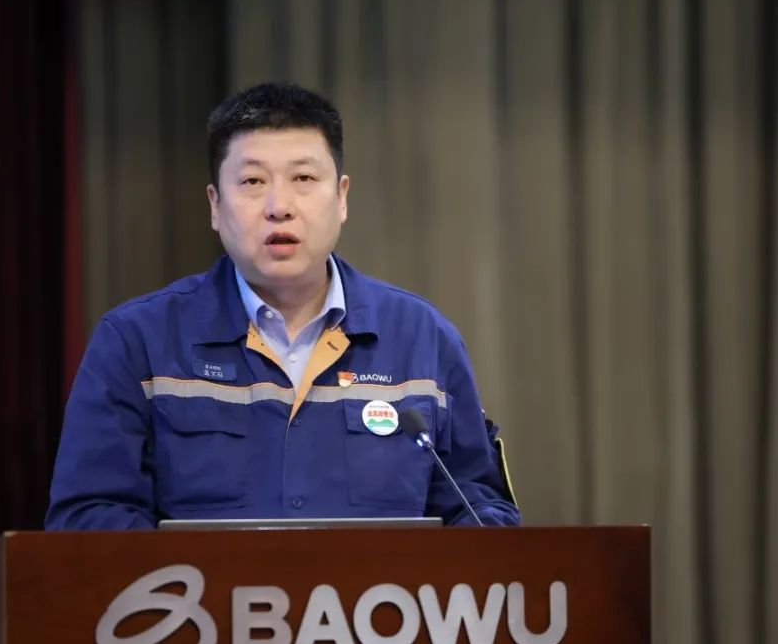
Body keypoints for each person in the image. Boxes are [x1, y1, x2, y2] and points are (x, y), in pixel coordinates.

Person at [45, 83, 519, 530]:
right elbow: (87, 518)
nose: (279, 206)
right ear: (215, 205)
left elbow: (479, 513)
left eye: (304, 178)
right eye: (252, 181)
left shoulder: (424, 339)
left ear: (342, 197)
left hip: (381, 596)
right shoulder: (136, 342)